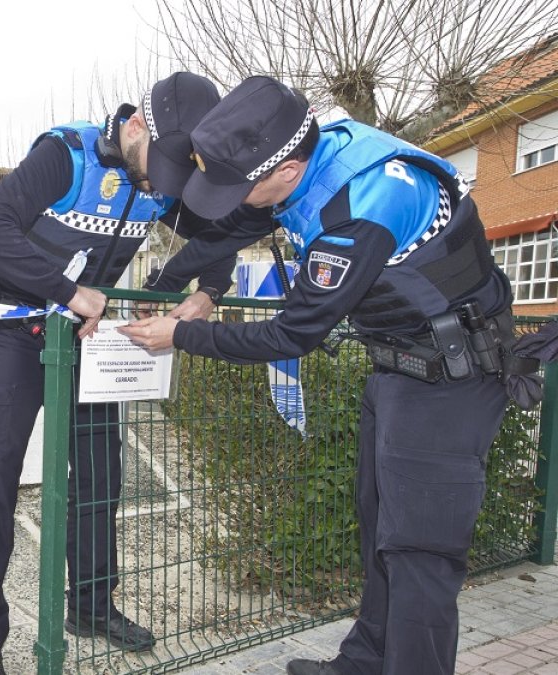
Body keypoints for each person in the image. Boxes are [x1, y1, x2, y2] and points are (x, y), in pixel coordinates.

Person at [117, 76, 520, 675]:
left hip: (452, 382)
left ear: (286, 170)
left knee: (419, 555)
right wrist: (167, 285)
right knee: (381, 528)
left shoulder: (363, 210)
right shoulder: (310, 153)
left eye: (237, 186)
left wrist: (182, 335)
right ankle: (362, 664)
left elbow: (292, 335)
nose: (231, 198)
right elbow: (234, 227)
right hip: (401, 370)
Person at [0, 72, 229, 675]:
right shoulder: (66, 155)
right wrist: (66, 290)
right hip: (15, 332)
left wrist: (207, 288)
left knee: (103, 478)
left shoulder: (162, 178)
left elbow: (222, 230)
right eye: (162, 167)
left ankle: (92, 606)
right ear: (136, 126)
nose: (164, 186)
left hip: (88, 342)